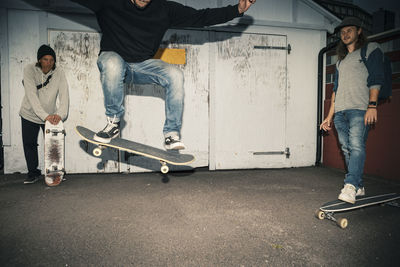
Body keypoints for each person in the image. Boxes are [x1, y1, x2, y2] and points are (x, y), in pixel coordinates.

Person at [71, 0, 256, 149]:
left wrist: (237, 9)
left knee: (174, 74)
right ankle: (113, 123)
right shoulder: (109, 3)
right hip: (115, 59)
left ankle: (171, 134)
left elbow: (201, 16)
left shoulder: (165, 9)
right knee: (112, 64)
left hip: (142, 66)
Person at [320, 17, 385, 204]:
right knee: (347, 149)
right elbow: (336, 91)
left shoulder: (370, 49)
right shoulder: (340, 62)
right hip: (340, 112)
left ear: (359, 31)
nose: (345, 34)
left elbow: (376, 78)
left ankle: (350, 185)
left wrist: (372, 106)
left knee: (356, 146)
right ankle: (359, 186)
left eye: (349, 30)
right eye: (342, 32)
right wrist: (328, 117)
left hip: (359, 109)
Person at [20, 45, 70, 184]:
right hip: (29, 113)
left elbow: (64, 94)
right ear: (39, 60)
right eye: (45, 59)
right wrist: (44, 116)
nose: (48, 63)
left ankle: (56, 171)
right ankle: (33, 173)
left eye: (51, 60)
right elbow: (31, 95)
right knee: (29, 143)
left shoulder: (59, 72)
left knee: (53, 144)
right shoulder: (29, 70)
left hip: (50, 114)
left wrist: (60, 114)